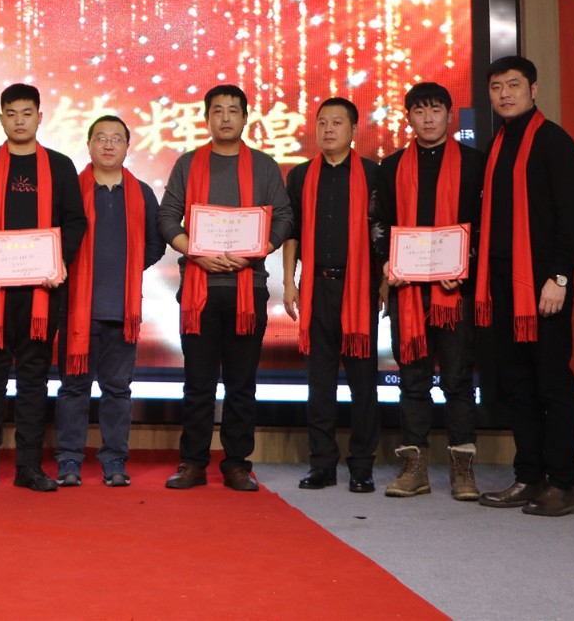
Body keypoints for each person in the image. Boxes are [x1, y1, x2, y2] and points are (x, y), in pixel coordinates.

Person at [0, 83, 88, 492]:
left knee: (33, 381)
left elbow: (76, 221)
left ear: (40, 117)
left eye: (27, 113)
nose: (19, 121)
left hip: (42, 293)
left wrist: (60, 261)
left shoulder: (60, 166)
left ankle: (29, 467)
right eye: (11, 114)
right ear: (1, 119)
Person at [158, 84, 293, 492]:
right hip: (199, 290)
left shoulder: (264, 166)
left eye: (234, 110)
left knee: (241, 384)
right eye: (218, 110)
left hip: (247, 289)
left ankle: (237, 464)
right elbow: (167, 218)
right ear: (207, 118)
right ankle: (192, 462)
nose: (226, 118)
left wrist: (258, 251)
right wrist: (195, 253)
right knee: (197, 383)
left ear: (246, 118)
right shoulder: (188, 164)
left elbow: (284, 218)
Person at [474, 56, 574, 517]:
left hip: (543, 286)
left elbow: (572, 218)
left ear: (534, 89)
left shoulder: (554, 141)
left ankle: (563, 484)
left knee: (552, 384)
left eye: (514, 85)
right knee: (517, 384)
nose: (505, 94)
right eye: (496, 87)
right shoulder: (497, 145)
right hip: (503, 285)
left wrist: (559, 277)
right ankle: (529, 476)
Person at [376, 81, 486, 500]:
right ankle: (414, 468)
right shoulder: (391, 166)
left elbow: (484, 223)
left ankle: (462, 470)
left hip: (454, 292)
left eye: (435, 110)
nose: (427, 118)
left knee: (458, 382)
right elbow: (379, 222)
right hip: (407, 291)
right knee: (412, 381)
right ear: (408, 117)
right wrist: (386, 263)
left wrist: (465, 265)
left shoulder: (474, 164)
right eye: (419, 111)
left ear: (449, 115)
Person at [54, 115, 164, 487]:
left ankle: (114, 459)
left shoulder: (142, 193)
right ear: (88, 145)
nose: (108, 144)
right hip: (77, 309)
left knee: (117, 390)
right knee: (73, 388)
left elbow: (154, 244)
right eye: (100, 137)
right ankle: (69, 459)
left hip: (122, 310)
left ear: (127, 147)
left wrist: (128, 268)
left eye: (116, 138)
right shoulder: (71, 190)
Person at [283, 98, 383, 493]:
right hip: (317, 287)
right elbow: (292, 232)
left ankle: (362, 465)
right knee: (319, 382)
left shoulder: (374, 174)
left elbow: (383, 231)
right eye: (322, 122)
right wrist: (290, 281)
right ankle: (322, 463)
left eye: (337, 123)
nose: (328, 129)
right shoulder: (300, 176)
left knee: (363, 382)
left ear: (353, 130)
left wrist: (384, 282)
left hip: (359, 289)